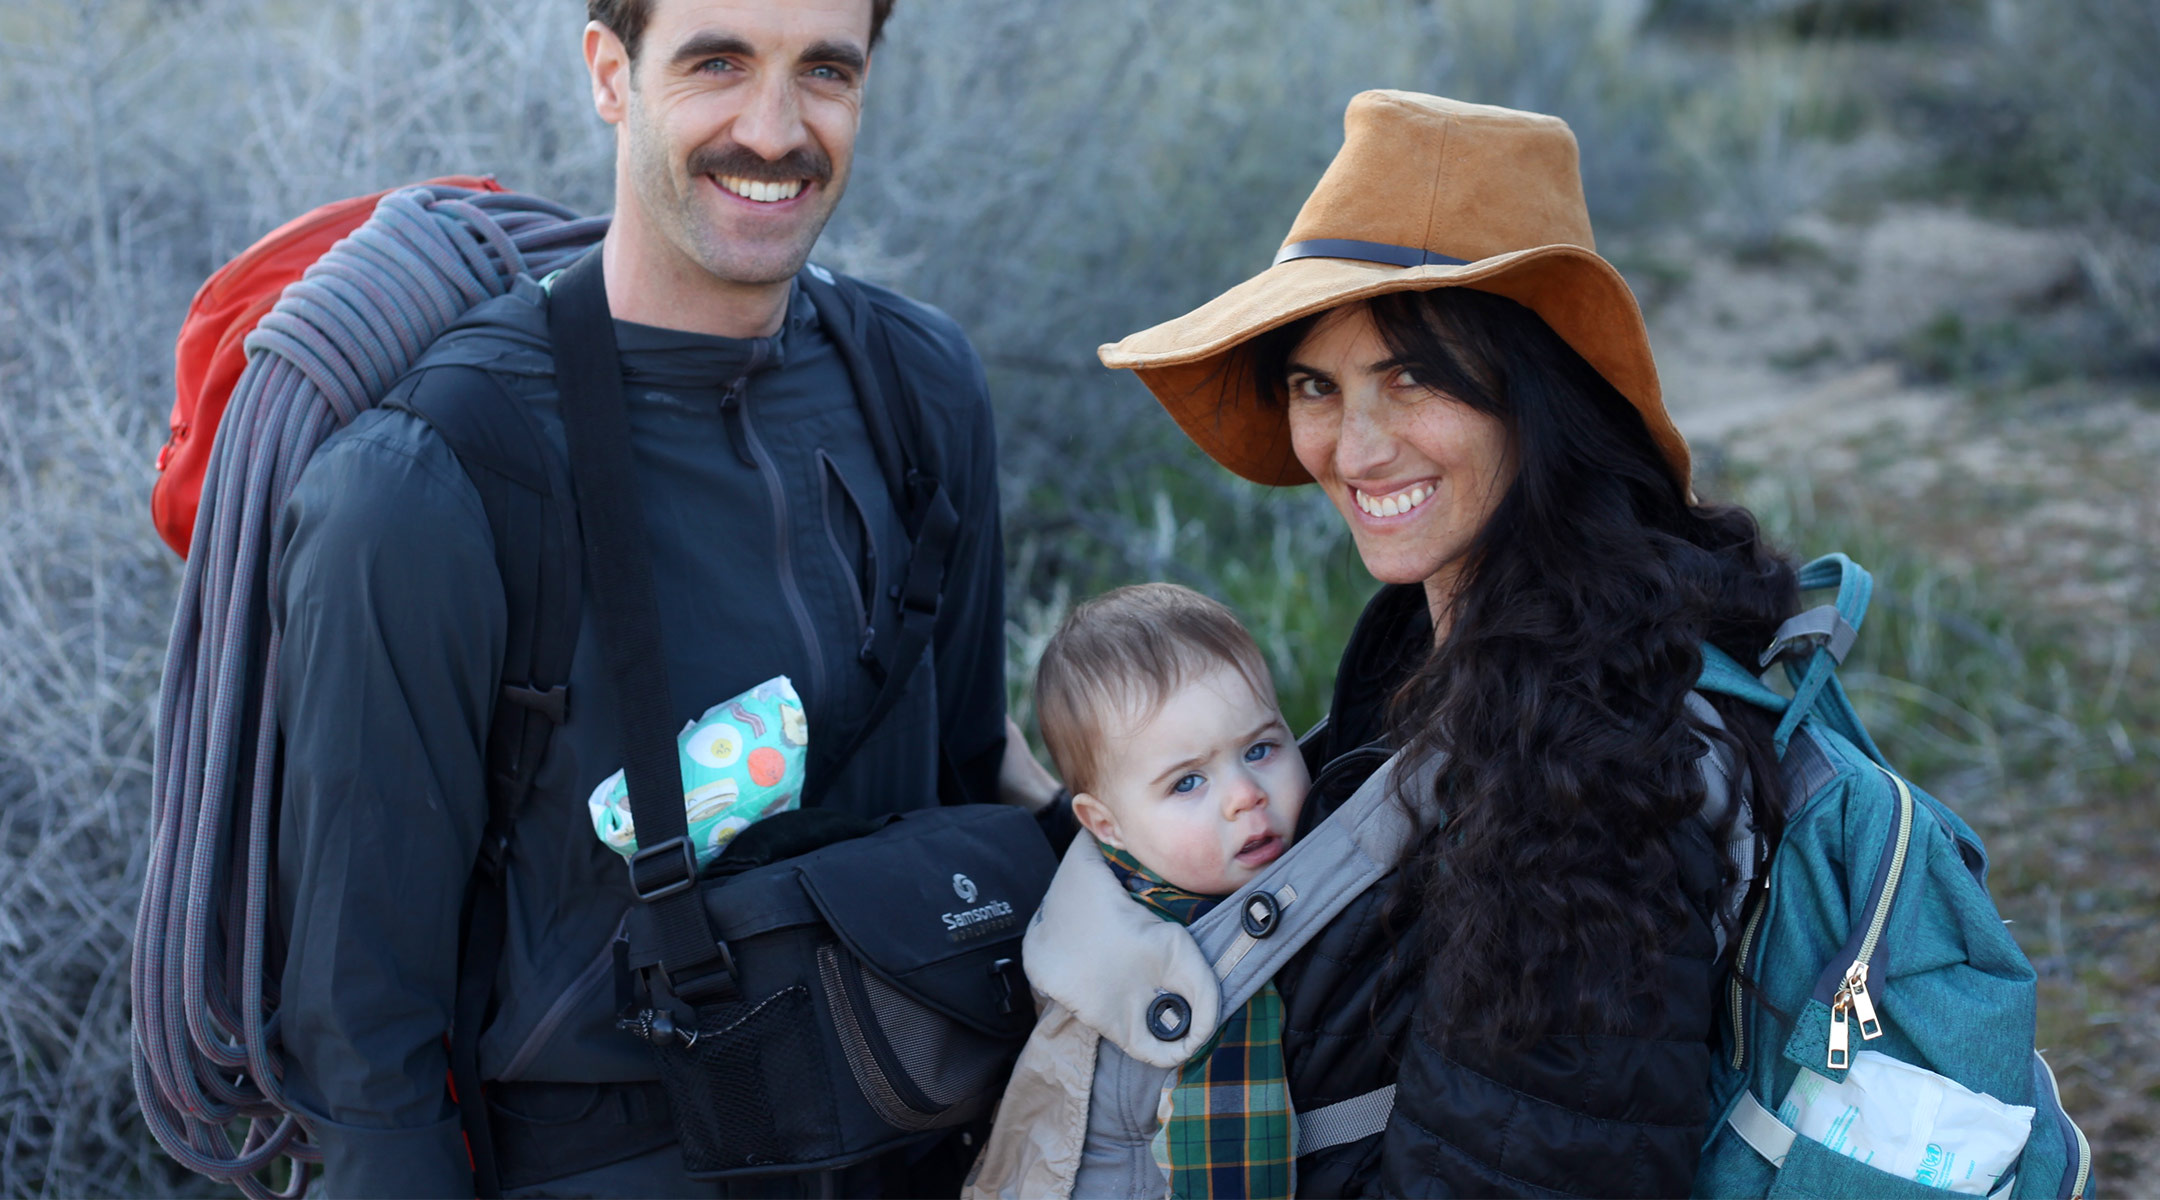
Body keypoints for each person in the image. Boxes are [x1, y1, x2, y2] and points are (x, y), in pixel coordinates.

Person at [270, 2, 1026, 1195]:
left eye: (823, 69)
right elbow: (362, 1037)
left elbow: (973, 771)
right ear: (610, 73)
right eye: (716, 62)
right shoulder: (431, 483)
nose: (775, 131)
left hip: (925, 1140)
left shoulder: (921, 387)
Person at [1095, 90, 1798, 1196]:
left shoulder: (1588, 754)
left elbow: (1531, 1169)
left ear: (1537, 395)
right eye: (1315, 387)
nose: (1356, 448)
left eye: (1412, 376)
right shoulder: (1476, 653)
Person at [969, 583, 1310, 1199]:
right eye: (1187, 784)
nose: (1245, 795)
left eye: (1260, 749)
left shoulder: (1328, 866)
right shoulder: (1104, 960)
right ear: (1106, 824)